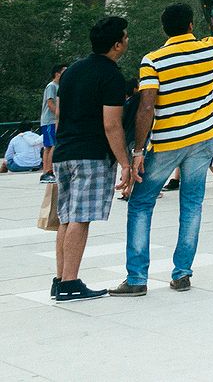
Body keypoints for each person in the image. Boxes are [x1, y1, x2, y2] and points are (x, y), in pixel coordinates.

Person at [114, 0, 213, 291]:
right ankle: (181, 273)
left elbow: (146, 107)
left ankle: (137, 278)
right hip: (203, 139)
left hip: (167, 142)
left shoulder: (153, 60)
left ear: (165, 29)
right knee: (191, 205)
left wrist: (138, 151)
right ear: (190, 25)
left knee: (140, 203)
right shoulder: (209, 47)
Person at [50, 16, 132, 301]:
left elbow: (59, 115)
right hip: (91, 154)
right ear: (116, 45)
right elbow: (111, 124)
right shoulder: (111, 75)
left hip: (64, 152)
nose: (127, 40)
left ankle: (60, 279)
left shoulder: (72, 71)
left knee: (66, 217)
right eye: (125, 36)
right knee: (80, 218)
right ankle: (71, 283)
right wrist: (125, 162)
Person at [40, 64, 62, 181]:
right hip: (50, 120)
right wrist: (60, 115)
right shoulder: (52, 86)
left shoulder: (59, 86)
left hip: (53, 120)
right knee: (52, 145)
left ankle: (46, 171)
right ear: (57, 73)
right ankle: (48, 171)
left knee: (49, 146)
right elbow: (50, 103)